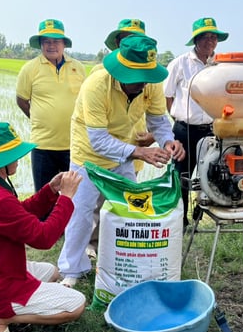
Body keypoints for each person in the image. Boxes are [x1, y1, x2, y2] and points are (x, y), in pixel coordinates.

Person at [58, 35, 185, 287]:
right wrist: (139, 152)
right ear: (120, 71)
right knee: (81, 213)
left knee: (130, 210)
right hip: (88, 157)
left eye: (144, 78)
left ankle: (125, 261)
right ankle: (71, 270)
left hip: (122, 154)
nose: (140, 84)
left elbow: (158, 121)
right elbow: (98, 140)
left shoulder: (150, 83)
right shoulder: (96, 85)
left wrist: (167, 140)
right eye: (134, 78)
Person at [0, 122, 86, 332]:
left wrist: (50, 190)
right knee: (76, 304)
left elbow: (19, 213)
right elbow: (44, 238)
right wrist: (66, 198)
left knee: (51, 271)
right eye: (14, 155)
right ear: (2, 162)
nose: (18, 160)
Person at [86, 18, 154, 260]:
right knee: (93, 205)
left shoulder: (149, 79)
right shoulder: (98, 78)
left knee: (125, 201)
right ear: (117, 45)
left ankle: (120, 248)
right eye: (126, 40)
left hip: (133, 149)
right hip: (100, 150)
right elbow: (97, 134)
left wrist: (156, 139)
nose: (131, 45)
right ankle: (92, 247)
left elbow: (158, 117)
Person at [164, 17, 228, 229]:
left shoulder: (221, 65)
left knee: (210, 173)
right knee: (180, 174)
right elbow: (168, 95)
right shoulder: (180, 63)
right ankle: (179, 221)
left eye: (214, 37)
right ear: (196, 39)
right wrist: (179, 117)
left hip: (210, 130)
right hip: (184, 130)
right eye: (205, 37)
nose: (210, 41)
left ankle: (200, 215)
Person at [15, 19, 86, 192]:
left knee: (75, 198)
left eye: (56, 41)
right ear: (40, 44)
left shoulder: (78, 68)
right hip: (43, 146)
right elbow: (21, 100)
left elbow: (86, 102)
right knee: (44, 197)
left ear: (64, 44)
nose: (51, 45)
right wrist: (39, 118)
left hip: (74, 146)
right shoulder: (29, 69)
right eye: (46, 41)